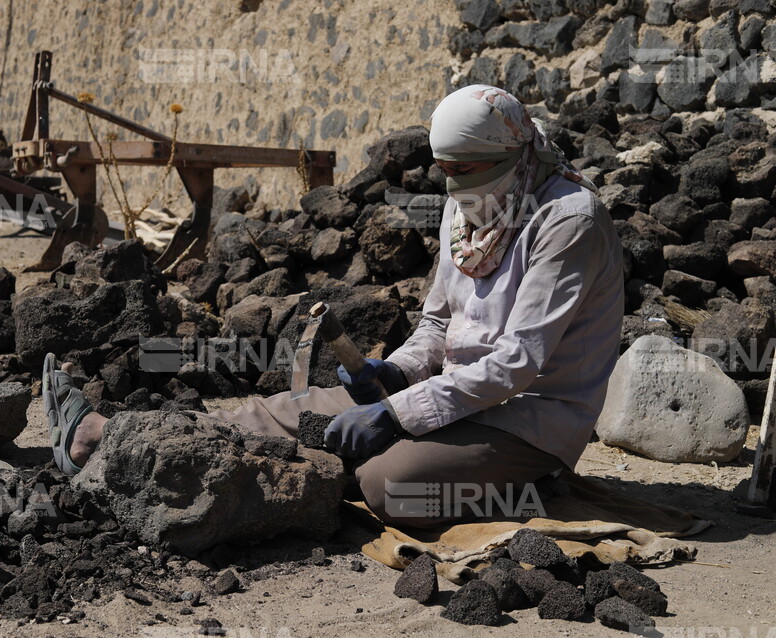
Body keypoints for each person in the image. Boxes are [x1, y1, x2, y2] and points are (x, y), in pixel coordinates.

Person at [43, 84, 624, 529]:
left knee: (388, 485)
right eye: (444, 172)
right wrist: (394, 373)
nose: (452, 189)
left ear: (510, 154)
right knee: (280, 414)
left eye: (465, 172)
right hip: (449, 392)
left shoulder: (568, 221)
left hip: (529, 419)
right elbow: (439, 323)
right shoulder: (468, 205)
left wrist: (396, 416)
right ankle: (107, 438)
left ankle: (535, 484)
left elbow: (515, 366)